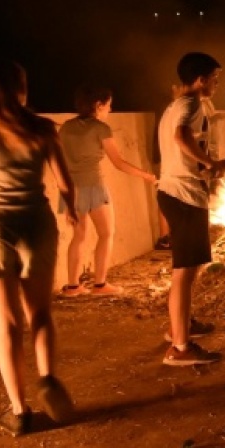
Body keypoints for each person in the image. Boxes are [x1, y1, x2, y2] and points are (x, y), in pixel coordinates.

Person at [0, 59, 77, 436]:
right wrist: (73, 215)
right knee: (40, 315)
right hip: (36, 224)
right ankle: (48, 378)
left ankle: (19, 412)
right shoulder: (44, 128)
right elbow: (66, 184)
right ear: (22, 88)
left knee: (7, 325)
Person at [157, 52, 225, 366]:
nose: (216, 84)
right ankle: (180, 348)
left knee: (188, 269)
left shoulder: (175, 105)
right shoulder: (191, 104)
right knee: (184, 272)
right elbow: (181, 137)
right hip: (183, 195)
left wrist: (211, 167)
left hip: (178, 192)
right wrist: (211, 162)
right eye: (215, 78)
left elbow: (183, 144)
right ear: (200, 79)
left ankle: (181, 326)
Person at [58, 84, 158, 296]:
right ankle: (100, 284)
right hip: (93, 186)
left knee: (79, 236)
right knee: (107, 233)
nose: (110, 110)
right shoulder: (100, 129)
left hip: (71, 188)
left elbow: (59, 161)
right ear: (98, 105)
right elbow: (119, 163)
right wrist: (146, 176)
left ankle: (73, 286)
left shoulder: (66, 127)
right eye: (109, 105)